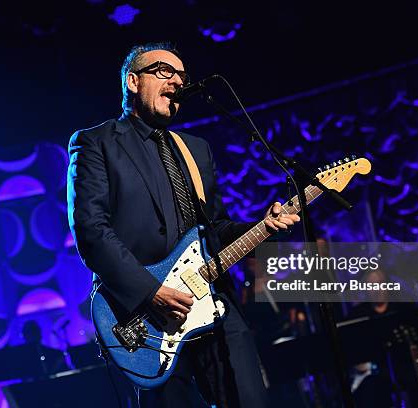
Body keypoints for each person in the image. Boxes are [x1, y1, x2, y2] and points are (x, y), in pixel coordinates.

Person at [67, 42, 300, 407]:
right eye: (163, 71)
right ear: (132, 81)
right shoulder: (96, 142)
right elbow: (91, 231)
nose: (176, 80)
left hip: (214, 301)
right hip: (144, 318)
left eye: (181, 75)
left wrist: (263, 226)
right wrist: (150, 292)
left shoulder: (196, 149)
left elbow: (215, 228)